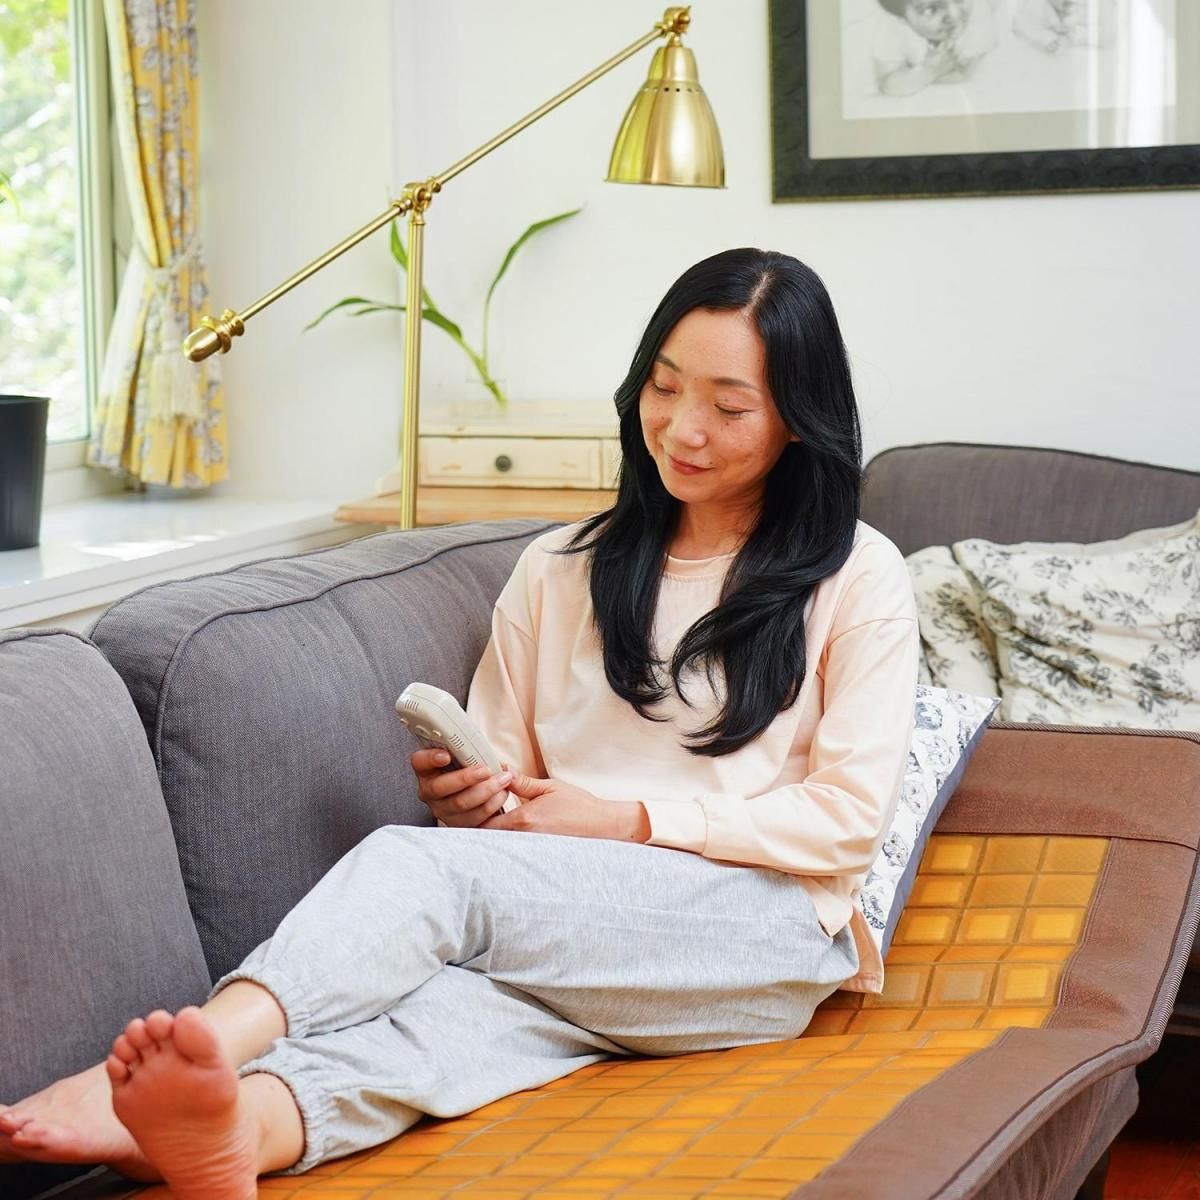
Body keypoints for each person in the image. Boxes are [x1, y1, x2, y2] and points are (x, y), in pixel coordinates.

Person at [0, 248, 919, 1199]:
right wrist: (476, 800)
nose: (682, 428)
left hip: (758, 931)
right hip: (575, 924)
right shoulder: (562, 567)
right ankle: (236, 1133)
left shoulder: (858, 574)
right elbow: (506, 814)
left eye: (729, 408)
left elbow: (846, 819)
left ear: (798, 423)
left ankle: (179, 1057)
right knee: (434, 1019)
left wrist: (624, 820)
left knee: (416, 870)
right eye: (663, 385)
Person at [872, 0, 1000, 96]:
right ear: (902, 18)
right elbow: (886, 85)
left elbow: (975, 77)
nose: (954, 15)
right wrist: (927, 71)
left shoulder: (979, 12)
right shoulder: (890, 27)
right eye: (931, 10)